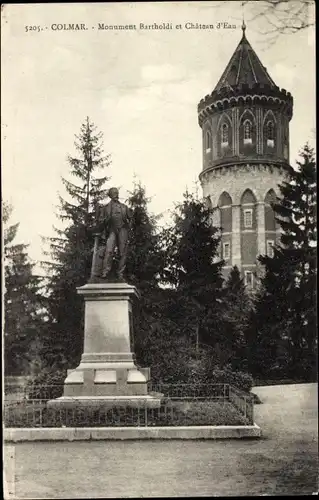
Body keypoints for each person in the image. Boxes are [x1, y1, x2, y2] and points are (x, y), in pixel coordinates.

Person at [91, 187, 133, 282]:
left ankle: (120, 274)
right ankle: (105, 272)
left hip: (123, 229)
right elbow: (101, 222)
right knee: (109, 250)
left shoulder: (124, 207)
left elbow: (131, 218)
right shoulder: (105, 208)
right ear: (110, 195)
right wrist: (106, 220)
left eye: (117, 193)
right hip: (111, 230)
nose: (116, 195)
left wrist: (129, 226)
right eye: (114, 193)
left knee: (122, 252)